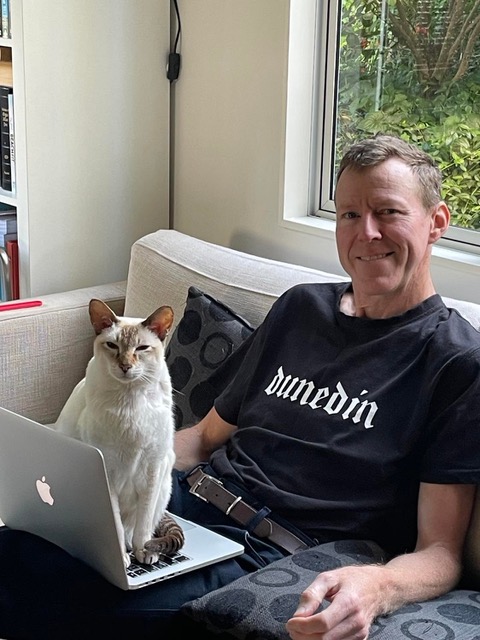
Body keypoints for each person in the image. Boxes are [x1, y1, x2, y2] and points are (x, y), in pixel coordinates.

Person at [1, 134, 479, 640]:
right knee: (17, 552)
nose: (366, 233)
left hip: (274, 560)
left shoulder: (456, 360)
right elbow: (204, 438)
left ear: (437, 223)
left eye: (388, 212)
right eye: (348, 215)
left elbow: (441, 552)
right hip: (185, 508)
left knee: (68, 605)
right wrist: (102, 488)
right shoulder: (300, 309)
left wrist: (378, 587)